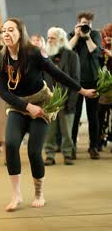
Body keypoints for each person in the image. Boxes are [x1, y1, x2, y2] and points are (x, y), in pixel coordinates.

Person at [0, 18, 96, 212]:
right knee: (12, 144)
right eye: (3, 30)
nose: (6, 33)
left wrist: (81, 90)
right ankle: (16, 195)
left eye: (11, 30)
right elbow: (4, 92)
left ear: (20, 32)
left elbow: (56, 73)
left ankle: (39, 193)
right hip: (18, 105)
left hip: (42, 103)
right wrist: (26, 106)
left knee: (34, 150)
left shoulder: (33, 52)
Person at [43, 27, 80, 166]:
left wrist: (72, 101)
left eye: (52, 38)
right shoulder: (45, 56)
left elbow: (76, 80)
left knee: (67, 131)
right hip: (49, 100)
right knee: (49, 132)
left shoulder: (72, 56)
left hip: (66, 98)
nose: (49, 40)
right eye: (48, 38)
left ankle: (68, 154)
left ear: (61, 40)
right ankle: (50, 155)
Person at [69, 11, 102, 159]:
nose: (85, 26)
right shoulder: (72, 35)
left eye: (88, 24)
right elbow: (66, 50)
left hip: (93, 81)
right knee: (74, 116)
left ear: (91, 24)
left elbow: (94, 51)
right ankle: (72, 147)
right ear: (78, 23)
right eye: (83, 24)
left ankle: (93, 146)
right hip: (75, 81)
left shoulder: (94, 35)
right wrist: (77, 35)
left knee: (92, 115)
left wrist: (87, 36)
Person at [98, 23, 112, 151]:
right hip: (104, 88)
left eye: (110, 36)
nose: (108, 38)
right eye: (106, 35)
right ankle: (101, 139)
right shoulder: (101, 48)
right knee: (101, 115)